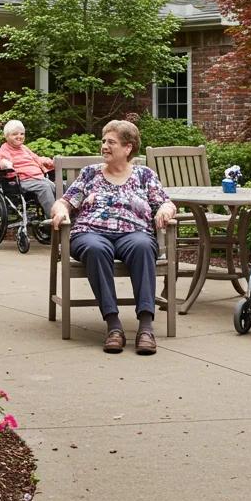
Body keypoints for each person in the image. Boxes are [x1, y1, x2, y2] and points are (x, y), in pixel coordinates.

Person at [50, 120, 176, 355]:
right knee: (95, 249)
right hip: (91, 232)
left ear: (128, 148)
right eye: (103, 141)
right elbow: (64, 201)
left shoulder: (145, 175)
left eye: (111, 142)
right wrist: (61, 211)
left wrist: (165, 210)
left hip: (133, 232)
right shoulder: (90, 173)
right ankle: (113, 325)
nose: (104, 146)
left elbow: (165, 202)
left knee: (142, 246)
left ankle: (146, 327)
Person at [0, 119, 56, 218]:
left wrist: (50, 162)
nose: (19, 136)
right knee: (45, 187)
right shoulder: (5, 148)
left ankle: (66, 214)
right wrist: (6, 164)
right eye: (15, 134)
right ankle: (54, 218)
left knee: (58, 186)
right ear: (7, 136)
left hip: (37, 178)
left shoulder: (24, 148)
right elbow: (3, 161)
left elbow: (37, 158)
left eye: (22, 134)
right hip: (21, 180)